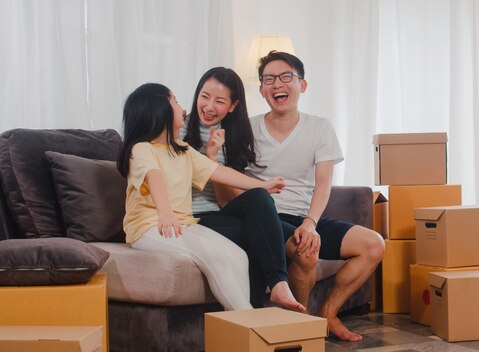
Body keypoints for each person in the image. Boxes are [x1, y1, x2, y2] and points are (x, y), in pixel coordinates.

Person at [248, 51, 385, 341]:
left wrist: (310, 222)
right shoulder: (248, 129)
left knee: (373, 244)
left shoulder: (319, 127)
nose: (277, 84)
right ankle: (303, 323)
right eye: (269, 79)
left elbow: (323, 184)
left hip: (305, 217)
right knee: (305, 252)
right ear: (261, 89)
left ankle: (328, 314)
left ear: (303, 85)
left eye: (286, 77)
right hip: (267, 219)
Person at [117, 82, 287, 311]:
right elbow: (153, 175)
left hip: (185, 225)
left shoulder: (181, 149)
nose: (183, 108)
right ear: (159, 110)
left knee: (238, 256)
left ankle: (242, 323)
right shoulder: (141, 149)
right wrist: (166, 212)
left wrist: (262, 185)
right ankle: (248, 322)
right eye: (175, 101)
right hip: (149, 228)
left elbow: (219, 172)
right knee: (214, 256)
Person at [180, 67, 304, 312]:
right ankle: (264, 303)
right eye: (204, 97)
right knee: (258, 233)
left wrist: (214, 156)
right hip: (193, 217)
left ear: (233, 106)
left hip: (219, 211)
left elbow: (225, 201)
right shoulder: (178, 129)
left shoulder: (233, 137)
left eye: (219, 101)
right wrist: (210, 157)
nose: (208, 106)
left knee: (260, 200)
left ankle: (277, 290)